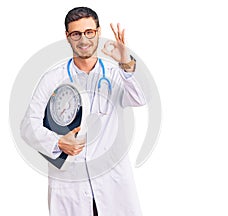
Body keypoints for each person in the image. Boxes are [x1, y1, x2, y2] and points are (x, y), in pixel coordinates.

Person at [20, 6, 146, 216]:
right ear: (68, 37)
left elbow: (139, 99)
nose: (83, 39)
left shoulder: (116, 74)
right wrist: (58, 142)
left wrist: (125, 63)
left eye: (89, 32)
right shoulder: (52, 79)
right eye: (76, 34)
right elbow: (27, 125)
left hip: (112, 184)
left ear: (98, 32)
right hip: (72, 187)